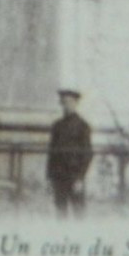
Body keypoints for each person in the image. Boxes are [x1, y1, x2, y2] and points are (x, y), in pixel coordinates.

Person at [46, 88, 93, 217]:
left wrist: (80, 178)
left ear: (76, 103)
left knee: (79, 213)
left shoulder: (83, 126)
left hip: (74, 175)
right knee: (60, 213)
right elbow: (51, 153)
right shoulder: (57, 126)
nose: (66, 105)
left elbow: (87, 154)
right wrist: (49, 177)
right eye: (64, 102)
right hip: (58, 176)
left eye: (70, 102)